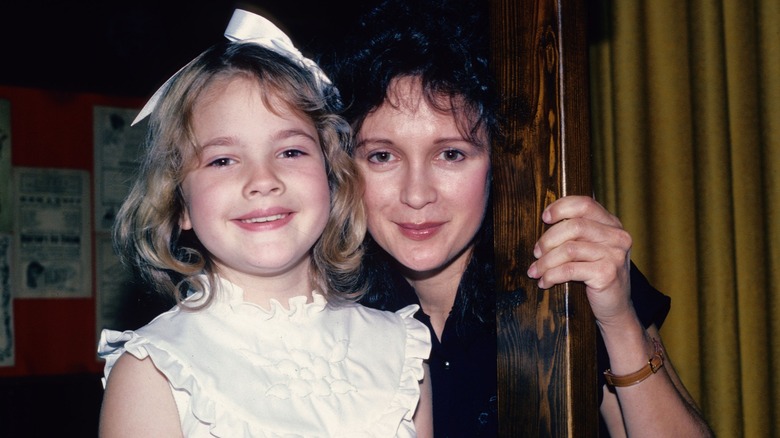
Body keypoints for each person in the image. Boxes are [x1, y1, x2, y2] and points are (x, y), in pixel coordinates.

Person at [324, 0, 714, 436]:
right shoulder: (325, 301)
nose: (417, 195)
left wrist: (618, 320)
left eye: (451, 154)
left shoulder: (563, 261)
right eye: (382, 156)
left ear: (498, 162)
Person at [97, 10, 432, 437]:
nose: (263, 180)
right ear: (179, 202)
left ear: (332, 177)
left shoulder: (403, 351)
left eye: (291, 152)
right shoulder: (154, 370)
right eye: (222, 160)